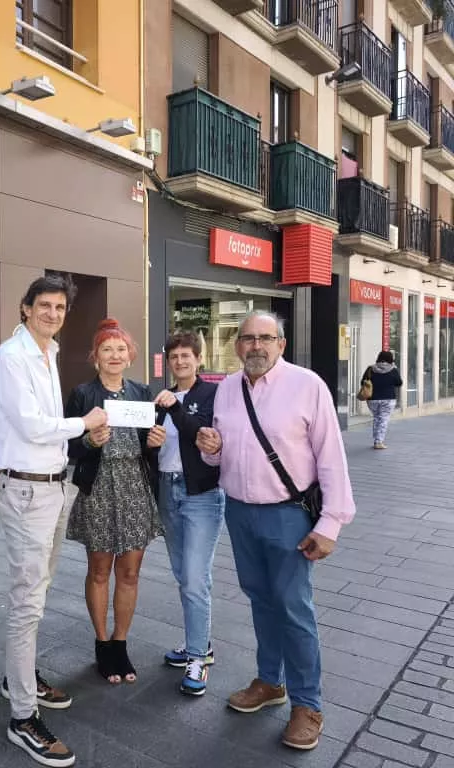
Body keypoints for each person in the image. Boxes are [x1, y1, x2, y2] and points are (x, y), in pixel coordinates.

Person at [196, 310, 355, 751]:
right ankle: (270, 682)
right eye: (247, 338)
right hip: (240, 512)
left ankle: (308, 704)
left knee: (293, 607)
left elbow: (331, 458)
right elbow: (224, 454)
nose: (255, 346)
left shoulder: (308, 385)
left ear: (281, 344)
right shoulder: (227, 389)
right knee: (261, 600)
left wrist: (330, 524)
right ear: (237, 344)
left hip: (288, 515)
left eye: (266, 337)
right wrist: (213, 451)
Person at [0, 274, 106, 768]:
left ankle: (19, 675)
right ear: (24, 307)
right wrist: (87, 423)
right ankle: (21, 716)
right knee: (28, 599)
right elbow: (33, 426)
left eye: (60, 307)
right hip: (26, 489)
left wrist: (78, 444)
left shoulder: (48, 351)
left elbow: (49, 430)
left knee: (39, 587)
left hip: (54, 486)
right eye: (45, 305)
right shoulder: (9, 358)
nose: (53, 313)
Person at [65, 318, 160, 687]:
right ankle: (102, 642)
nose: (115, 355)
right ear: (96, 357)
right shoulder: (83, 394)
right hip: (100, 487)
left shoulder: (141, 393)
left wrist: (155, 441)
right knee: (100, 569)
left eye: (121, 349)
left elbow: (150, 444)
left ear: (130, 354)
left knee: (131, 571)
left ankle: (120, 642)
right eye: (107, 349)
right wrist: (89, 442)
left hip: (134, 485)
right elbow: (69, 444)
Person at [146, 331, 224, 697]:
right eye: (174, 356)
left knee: (195, 578)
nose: (180, 362)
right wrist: (151, 444)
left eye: (186, 356)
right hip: (167, 488)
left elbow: (203, 436)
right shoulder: (159, 400)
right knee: (183, 574)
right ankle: (199, 641)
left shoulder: (211, 395)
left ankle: (198, 657)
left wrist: (176, 410)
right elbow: (153, 449)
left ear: (198, 359)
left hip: (201, 495)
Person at [364, 351, 402, 449]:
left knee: (377, 418)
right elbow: (399, 383)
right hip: (388, 399)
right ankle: (378, 442)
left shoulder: (370, 368)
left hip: (372, 399)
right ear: (390, 359)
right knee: (383, 419)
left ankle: (377, 439)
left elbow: (363, 382)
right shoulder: (393, 369)